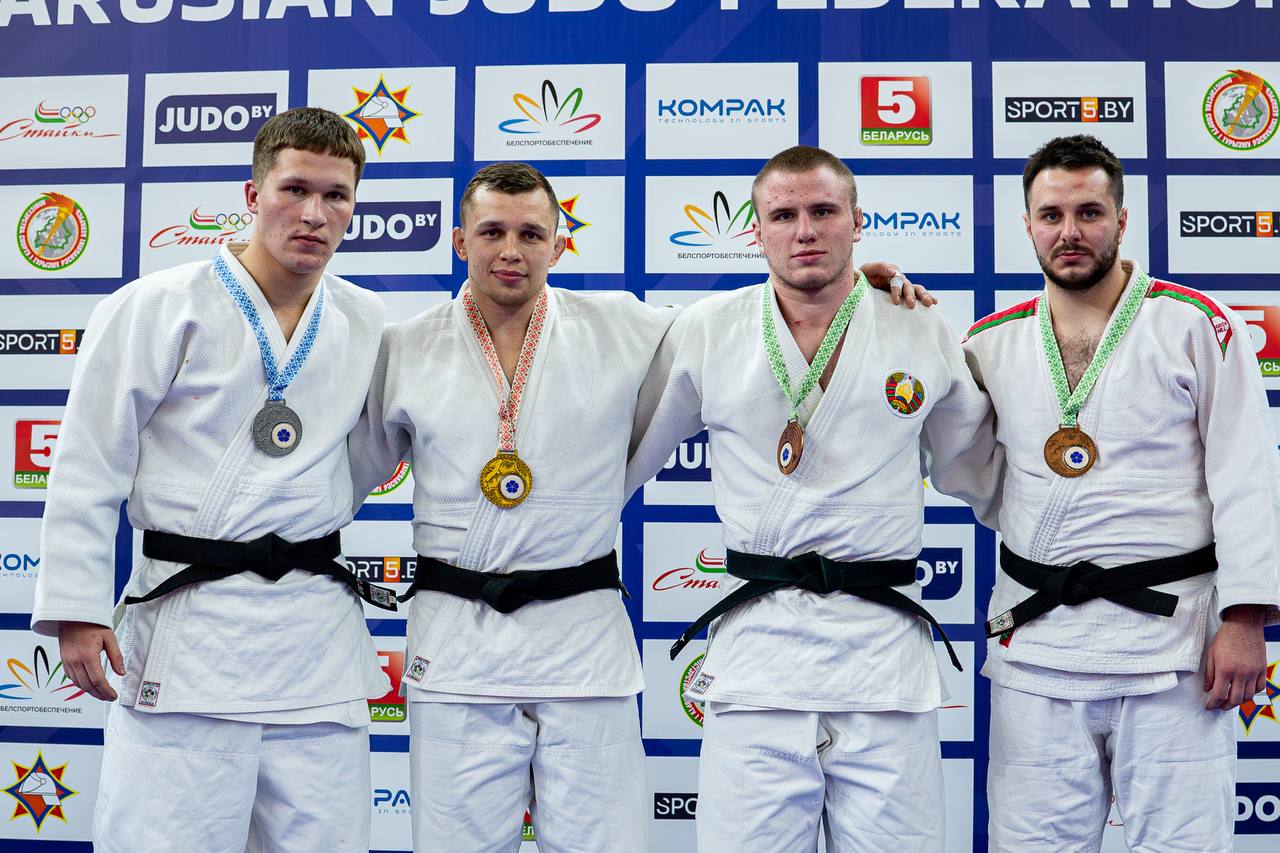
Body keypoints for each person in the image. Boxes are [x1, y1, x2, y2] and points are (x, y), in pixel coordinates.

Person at [349, 161, 920, 851]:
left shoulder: (622, 326)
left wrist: (850, 292)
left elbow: (747, 325)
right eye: (492, 231)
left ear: (560, 244)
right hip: (457, 647)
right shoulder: (405, 347)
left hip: (582, 645)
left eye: (531, 233)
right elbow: (347, 474)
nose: (511, 250)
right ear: (459, 240)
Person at [32, 107, 393, 852]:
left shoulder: (367, 320)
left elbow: (363, 461)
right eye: (295, 190)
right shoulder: (156, 306)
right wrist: (75, 608)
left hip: (313, 641)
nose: (314, 214)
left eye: (336, 195)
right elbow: (88, 463)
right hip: (190, 629)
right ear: (253, 194)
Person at [623, 145, 1003, 852]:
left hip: (883, 663)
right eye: (783, 215)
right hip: (759, 664)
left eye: (824, 211)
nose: (804, 230)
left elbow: (982, 471)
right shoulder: (708, 328)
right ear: (755, 230)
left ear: (858, 221)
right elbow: (621, 455)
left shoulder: (915, 325)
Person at [963, 133, 1280, 852]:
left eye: (1089, 212)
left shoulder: (1195, 324)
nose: (1069, 232)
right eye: (1051, 215)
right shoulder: (989, 343)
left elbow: (1247, 476)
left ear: (1122, 220)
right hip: (1037, 645)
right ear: (1027, 225)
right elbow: (969, 470)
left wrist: (1245, 618)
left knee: (1184, 845)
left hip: (1173, 649)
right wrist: (885, 303)